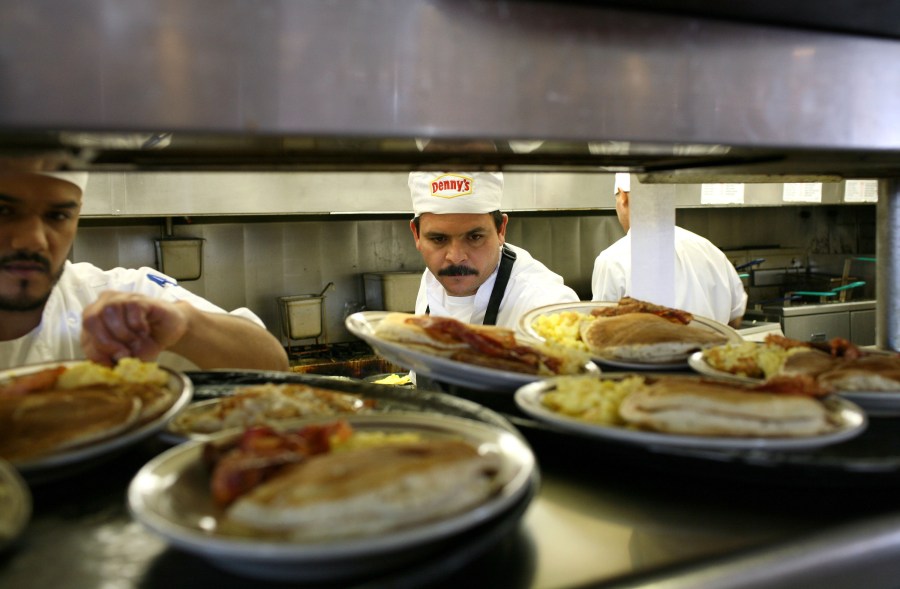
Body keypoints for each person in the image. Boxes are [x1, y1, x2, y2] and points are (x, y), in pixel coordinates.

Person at [0, 167, 289, 371]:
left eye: (58, 215)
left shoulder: (118, 298)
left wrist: (186, 326)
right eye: (4, 211)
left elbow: (272, 365)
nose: (33, 239)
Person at [408, 170, 579, 329]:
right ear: (417, 236)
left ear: (500, 230)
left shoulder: (546, 308)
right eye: (439, 239)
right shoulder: (432, 279)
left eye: (474, 237)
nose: (456, 257)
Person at [591, 173, 747, 327]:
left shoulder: (612, 260)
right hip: (712, 351)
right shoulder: (710, 250)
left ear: (623, 197)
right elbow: (736, 316)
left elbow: (601, 327)